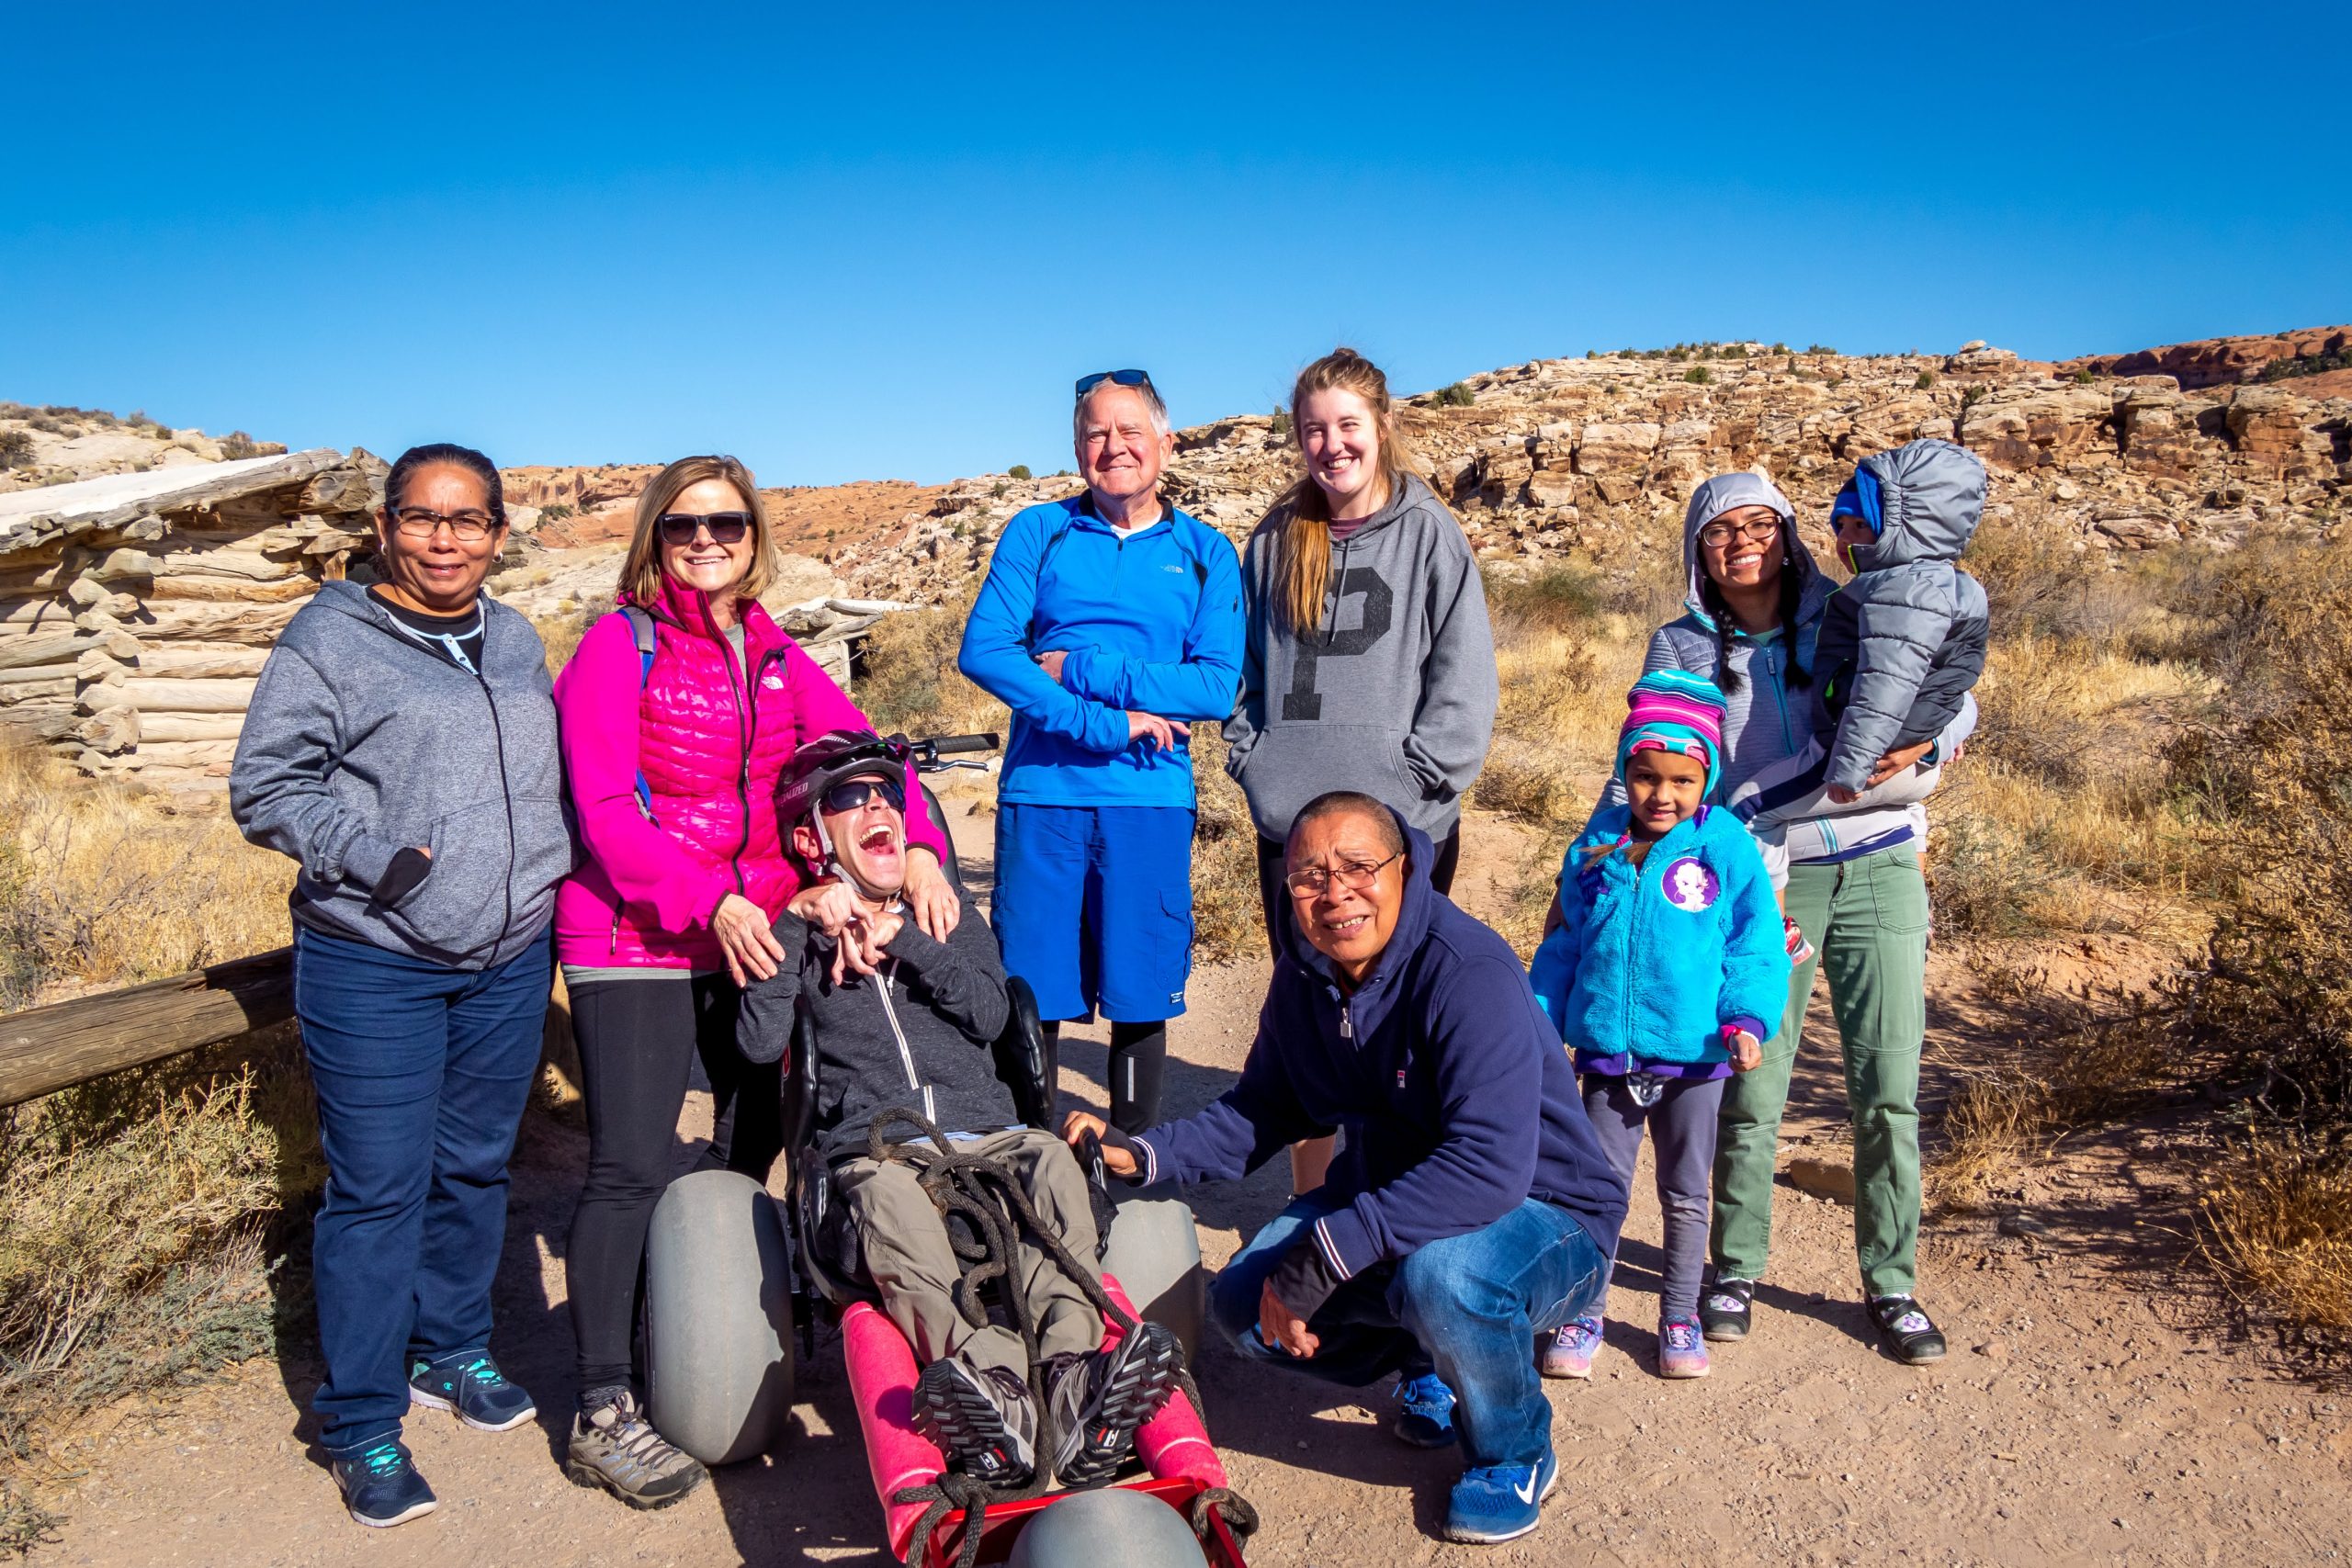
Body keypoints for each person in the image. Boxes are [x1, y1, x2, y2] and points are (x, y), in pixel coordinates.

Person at [1065, 791, 1629, 1547]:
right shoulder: (1307, 974)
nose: (1335, 892)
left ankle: (1516, 1449)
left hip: (1548, 1216)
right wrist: (1148, 1154)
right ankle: (1427, 1358)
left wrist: (1327, 1254)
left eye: (1359, 866)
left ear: (1406, 868)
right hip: (1401, 1200)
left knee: (1443, 1277)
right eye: (1309, 875)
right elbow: (1266, 1108)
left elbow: (1490, 1166)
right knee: (1241, 1304)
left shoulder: (1467, 971)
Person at [553, 456, 958, 1506]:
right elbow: (602, 807)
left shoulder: (772, 648)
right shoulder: (619, 644)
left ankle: (717, 1329)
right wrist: (710, 900)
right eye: (684, 525)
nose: (705, 541)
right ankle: (602, 1400)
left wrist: (911, 843)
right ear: (654, 534)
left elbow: (863, 756)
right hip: (636, 931)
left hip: (754, 925)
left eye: (726, 524)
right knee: (633, 1163)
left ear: (751, 535)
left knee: (752, 1144)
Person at [231, 443, 572, 1528]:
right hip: (376, 955)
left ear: (498, 533)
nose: (444, 539)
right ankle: (362, 1420)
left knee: (474, 1166)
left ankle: (453, 1349)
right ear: (385, 527)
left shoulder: (514, 639)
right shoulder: (332, 637)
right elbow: (266, 785)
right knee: (378, 1190)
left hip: (510, 956)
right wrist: (382, 862)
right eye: (422, 519)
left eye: (466, 520)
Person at [738, 731, 1183, 1490]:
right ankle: (996, 1386)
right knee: (888, 1198)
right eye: (851, 797)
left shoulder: (943, 912)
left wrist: (907, 937)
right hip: (880, 1149)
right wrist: (793, 923)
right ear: (814, 837)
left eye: (887, 794)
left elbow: (989, 1012)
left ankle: (1074, 1377)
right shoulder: (801, 939)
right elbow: (758, 1042)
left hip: (993, 1134)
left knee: (1047, 1162)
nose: (877, 804)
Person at [1629, 469, 1973, 1365]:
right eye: (1718, 531)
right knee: (1753, 1084)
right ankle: (1733, 1268)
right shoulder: (1681, 644)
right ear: (1696, 550)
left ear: (1786, 531)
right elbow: (1660, 762)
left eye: (1757, 524)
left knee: (1886, 1089)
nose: (1740, 542)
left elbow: (1951, 677)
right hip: (1763, 885)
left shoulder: (1850, 610)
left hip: (1881, 868)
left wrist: (1936, 737)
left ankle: (1890, 1284)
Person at [1223, 348, 1498, 1195]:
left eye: (1347, 425)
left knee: (1405, 1018)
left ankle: (1397, 1197)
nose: (1331, 445)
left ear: (1381, 426)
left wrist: (1414, 794)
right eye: (1314, 429)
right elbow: (1243, 679)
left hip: (1402, 833)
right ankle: (1311, 1204)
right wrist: (1257, 766)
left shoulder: (1431, 535)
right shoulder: (1274, 539)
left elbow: (1464, 685)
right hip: (1294, 827)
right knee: (1308, 1020)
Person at [956, 369, 1244, 1134]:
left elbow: (1215, 686)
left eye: (1130, 431)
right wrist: (1108, 725)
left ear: (1165, 442)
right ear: (1078, 447)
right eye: (1095, 434)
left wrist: (1081, 668)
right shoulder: (1038, 531)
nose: (1113, 447)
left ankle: (1131, 1167)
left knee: (1139, 990)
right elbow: (986, 651)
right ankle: (1034, 1165)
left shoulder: (1207, 551)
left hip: (1148, 802)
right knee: (1034, 988)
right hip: (1042, 795)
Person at [1526, 671, 1789, 1382]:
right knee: (1597, 1188)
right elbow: (1565, 943)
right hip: (1610, 1054)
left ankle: (1679, 1314)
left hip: (1696, 1055)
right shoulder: (1599, 844)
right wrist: (1539, 1024)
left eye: (1680, 778)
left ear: (1705, 775)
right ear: (1625, 772)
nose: (1662, 794)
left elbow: (1753, 942)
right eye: (1645, 776)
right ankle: (1582, 1310)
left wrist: (1745, 1018)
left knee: (1685, 1190)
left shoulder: (1725, 844)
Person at [1731, 438, 1988, 825]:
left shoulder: (1900, 592)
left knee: (1744, 812)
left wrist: (1851, 766)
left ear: (1903, 525)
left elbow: (1884, 684)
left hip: (1868, 762)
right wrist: (1941, 736)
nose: (1844, 539)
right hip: (1905, 757)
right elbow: (1950, 682)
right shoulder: (1951, 585)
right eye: (1840, 525)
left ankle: (1757, 889)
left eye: (1861, 525)